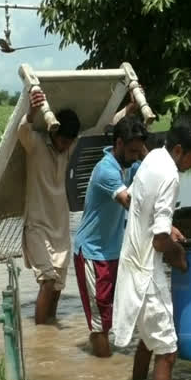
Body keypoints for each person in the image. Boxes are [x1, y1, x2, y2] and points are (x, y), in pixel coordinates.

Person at [112, 114, 191, 380]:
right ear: (178, 151)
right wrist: (178, 255)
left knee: (147, 339)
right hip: (147, 273)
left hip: (131, 262)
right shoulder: (170, 176)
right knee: (167, 351)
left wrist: (169, 228)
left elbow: (144, 209)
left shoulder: (153, 158)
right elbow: (159, 240)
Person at [17, 89, 110, 325]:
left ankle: (49, 331)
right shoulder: (36, 144)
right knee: (47, 281)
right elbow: (22, 130)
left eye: (69, 142)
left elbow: (99, 127)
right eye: (62, 140)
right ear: (54, 132)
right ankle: (40, 338)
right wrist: (32, 109)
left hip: (60, 226)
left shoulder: (69, 148)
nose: (65, 145)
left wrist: (128, 109)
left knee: (57, 286)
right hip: (36, 225)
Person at [73, 112, 149, 357]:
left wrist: (143, 154)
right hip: (93, 254)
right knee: (101, 325)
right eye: (133, 151)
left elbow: (150, 170)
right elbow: (131, 204)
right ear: (118, 144)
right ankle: (102, 372)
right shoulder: (107, 170)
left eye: (140, 152)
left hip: (114, 251)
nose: (137, 157)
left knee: (115, 314)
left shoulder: (129, 164)